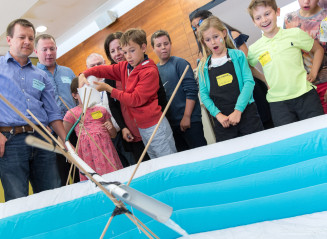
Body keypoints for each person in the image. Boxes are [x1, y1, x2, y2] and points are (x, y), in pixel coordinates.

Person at [79, 28, 177, 159]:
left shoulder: (149, 71)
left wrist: (109, 89)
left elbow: (135, 99)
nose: (128, 56)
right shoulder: (125, 66)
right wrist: (85, 73)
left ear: (143, 47)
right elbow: (105, 70)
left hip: (156, 126)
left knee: (169, 161)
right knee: (158, 163)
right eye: (125, 52)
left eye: (132, 50)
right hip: (142, 127)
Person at [0, 19, 66, 201]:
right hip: (10, 141)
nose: (27, 41)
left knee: (52, 194)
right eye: (22, 37)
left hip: (43, 139)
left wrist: (65, 141)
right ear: (9, 39)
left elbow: (53, 113)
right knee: (17, 198)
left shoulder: (41, 74)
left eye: (30, 37)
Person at [190, 9, 273, 129]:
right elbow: (205, 91)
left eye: (200, 23)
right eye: (195, 27)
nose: (198, 28)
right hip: (227, 105)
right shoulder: (205, 58)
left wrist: (265, 80)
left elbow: (249, 67)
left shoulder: (234, 40)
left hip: (248, 90)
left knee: (262, 123)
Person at [247, 0, 325, 127]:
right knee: (292, 143)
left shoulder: (295, 33)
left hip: (306, 96)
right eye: (258, 17)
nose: (264, 20)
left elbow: (318, 50)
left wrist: (314, 72)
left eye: (267, 14)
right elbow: (248, 67)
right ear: (254, 22)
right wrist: (265, 79)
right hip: (279, 103)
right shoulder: (254, 49)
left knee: (319, 134)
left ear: (277, 12)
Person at [197, 16, 263, 142]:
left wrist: (238, 110)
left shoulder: (238, 55)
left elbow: (248, 82)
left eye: (216, 37)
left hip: (247, 115)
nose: (213, 42)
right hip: (223, 122)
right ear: (204, 42)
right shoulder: (203, 66)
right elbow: (204, 95)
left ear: (224, 33)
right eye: (208, 39)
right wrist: (218, 115)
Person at [151, 30, 207, 152]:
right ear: (153, 49)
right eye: (159, 45)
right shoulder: (154, 70)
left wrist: (187, 116)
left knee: (201, 155)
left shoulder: (180, 63)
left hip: (190, 121)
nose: (163, 47)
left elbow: (191, 91)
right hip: (171, 125)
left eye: (166, 43)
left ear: (170, 44)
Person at [35, 33, 79, 185]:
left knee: (82, 170)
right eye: (44, 49)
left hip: (75, 129)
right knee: (62, 176)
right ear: (36, 52)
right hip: (52, 134)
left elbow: (78, 96)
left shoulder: (68, 72)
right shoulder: (33, 76)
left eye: (52, 49)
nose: (49, 53)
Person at [63, 77, 123, 181]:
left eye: (89, 89)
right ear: (75, 95)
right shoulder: (72, 113)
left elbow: (113, 135)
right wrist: (70, 151)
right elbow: (63, 136)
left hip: (106, 149)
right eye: (82, 91)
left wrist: (110, 128)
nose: (86, 93)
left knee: (114, 176)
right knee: (94, 180)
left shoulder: (102, 110)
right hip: (87, 153)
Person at [103, 32, 150, 162]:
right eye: (112, 51)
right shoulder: (110, 77)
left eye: (119, 48)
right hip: (131, 132)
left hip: (150, 126)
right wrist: (123, 127)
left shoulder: (143, 67)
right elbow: (114, 106)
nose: (117, 53)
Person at [86, 53, 136, 166]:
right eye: (92, 65)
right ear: (87, 68)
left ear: (105, 63)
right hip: (105, 139)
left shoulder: (114, 80)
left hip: (123, 131)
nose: (96, 67)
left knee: (134, 163)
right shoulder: (86, 89)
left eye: (99, 64)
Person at [284, 0, 327, 113]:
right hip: (303, 87)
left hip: (324, 82)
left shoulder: (325, 17)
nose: (306, 2)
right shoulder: (289, 19)